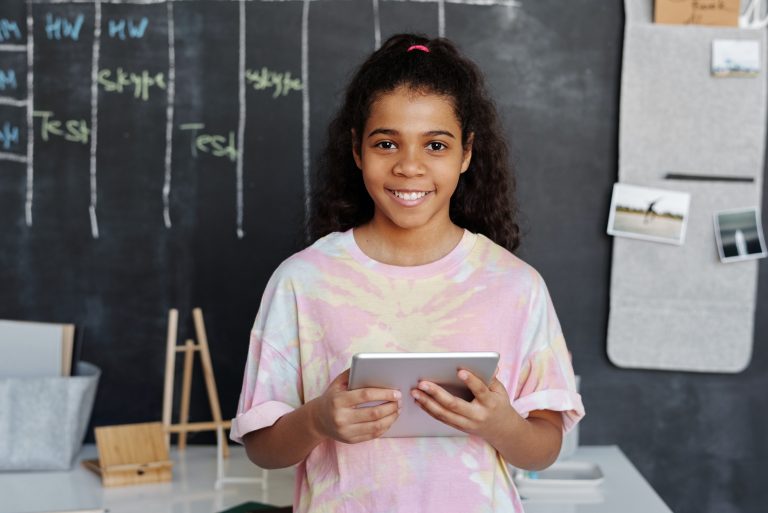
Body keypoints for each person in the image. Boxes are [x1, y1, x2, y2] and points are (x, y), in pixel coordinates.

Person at [230, 33, 584, 512]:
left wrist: (500, 423)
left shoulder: (516, 286)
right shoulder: (303, 281)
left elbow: (544, 447)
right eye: (387, 143)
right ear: (357, 150)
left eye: (436, 145)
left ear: (466, 153)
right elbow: (262, 449)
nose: (410, 167)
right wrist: (316, 421)